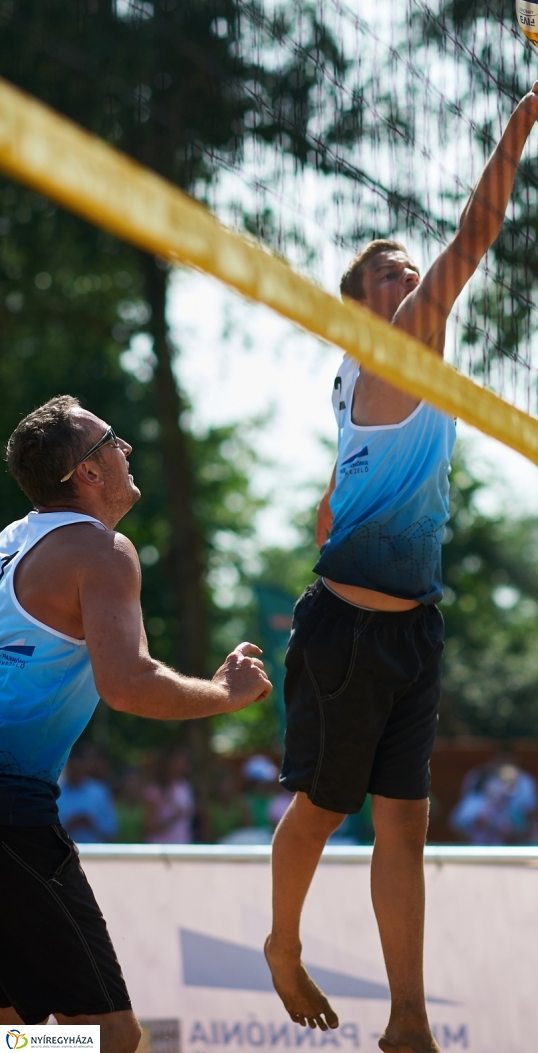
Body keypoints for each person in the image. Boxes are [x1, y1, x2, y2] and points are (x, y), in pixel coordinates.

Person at [264, 67, 538, 1053]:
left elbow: (338, 498)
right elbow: (471, 242)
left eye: (409, 273)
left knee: (404, 826)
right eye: (387, 274)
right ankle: (281, 945)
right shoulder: (385, 357)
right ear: (362, 307)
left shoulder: (400, 381)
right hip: (351, 632)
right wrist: (520, 123)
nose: (407, 279)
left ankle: (406, 1018)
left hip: (411, 626)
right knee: (324, 806)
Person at [0, 395, 271, 1050]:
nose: (126, 449)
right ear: (86, 473)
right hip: (11, 813)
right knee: (111, 1037)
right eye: (112, 440)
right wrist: (223, 693)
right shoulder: (100, 550)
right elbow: (127, 683)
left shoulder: (11, 540)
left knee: (14, 1031)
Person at [449, 759, 538, 845]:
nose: (505, 785)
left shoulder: (514, 806)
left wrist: (508, 833)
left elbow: (522, 833)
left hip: (504, 855)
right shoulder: (474, 801)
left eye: (510, 782)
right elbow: (456, 826)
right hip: (477, 853)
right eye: (501, 781)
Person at [57, 743, 118, 843]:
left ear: (84, 766)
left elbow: (111, 830)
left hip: (94, 854)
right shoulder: (57, 792)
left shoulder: (100, 792)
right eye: (72, 767)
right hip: (64, 853)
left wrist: (91, 823)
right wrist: (68, 825)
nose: (75, 771)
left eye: (78, 767)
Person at [144, 747, 195, 844]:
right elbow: (148, 826)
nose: (184, 763)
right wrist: (173, 818)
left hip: (182, 846)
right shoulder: (155, 790)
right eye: (180, 760)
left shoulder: (185, 786)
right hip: (160, 848)